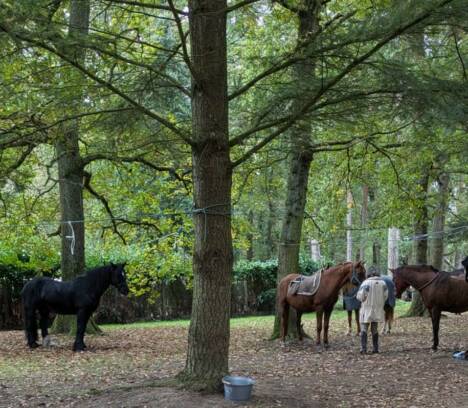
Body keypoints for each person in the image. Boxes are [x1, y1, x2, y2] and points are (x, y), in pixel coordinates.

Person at [356, 266, 388, 354]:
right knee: (375, 329)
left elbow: (361, 297)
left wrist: (357, 295)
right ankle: (375, 349)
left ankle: (363, 349)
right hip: (378, 309)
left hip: (366, 309)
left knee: (364, 329)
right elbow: (385, 296)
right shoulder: (383, 283)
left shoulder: (365, 283)